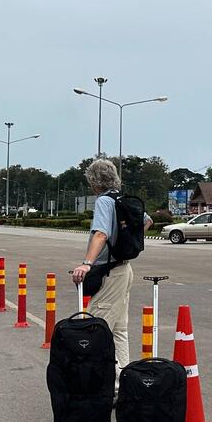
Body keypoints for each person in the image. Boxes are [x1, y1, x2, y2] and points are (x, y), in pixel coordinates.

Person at [70, 158, 152, 373]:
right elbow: (147, 221)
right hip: (124, 268)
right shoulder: (123, 199)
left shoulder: (104, 201)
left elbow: (101, 233)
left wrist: (86, 263)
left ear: (94, 182)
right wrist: (127, 243)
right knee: (118, 330)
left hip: (110, 273)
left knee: (95, 329)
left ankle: (108, 383)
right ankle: (121, 380)